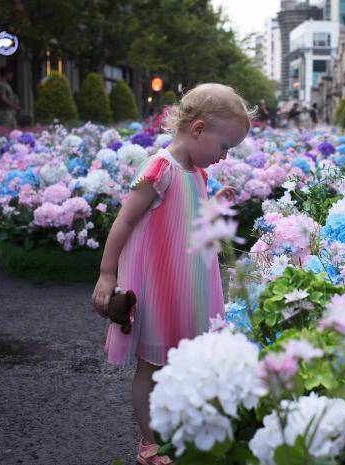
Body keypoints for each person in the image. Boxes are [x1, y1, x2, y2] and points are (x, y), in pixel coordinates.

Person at [91, 83, 250, 465]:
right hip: (162, 288)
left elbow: (188, 221)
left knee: (184, 363)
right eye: (224, 146)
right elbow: (125, 221)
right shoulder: (161, 168)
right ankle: (149, 442)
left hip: (191, 286)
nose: (224, 156)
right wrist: (107, 273)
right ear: (198, 129)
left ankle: (178, 427)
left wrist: (213, 207)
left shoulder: (197, 172)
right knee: (152, 367)